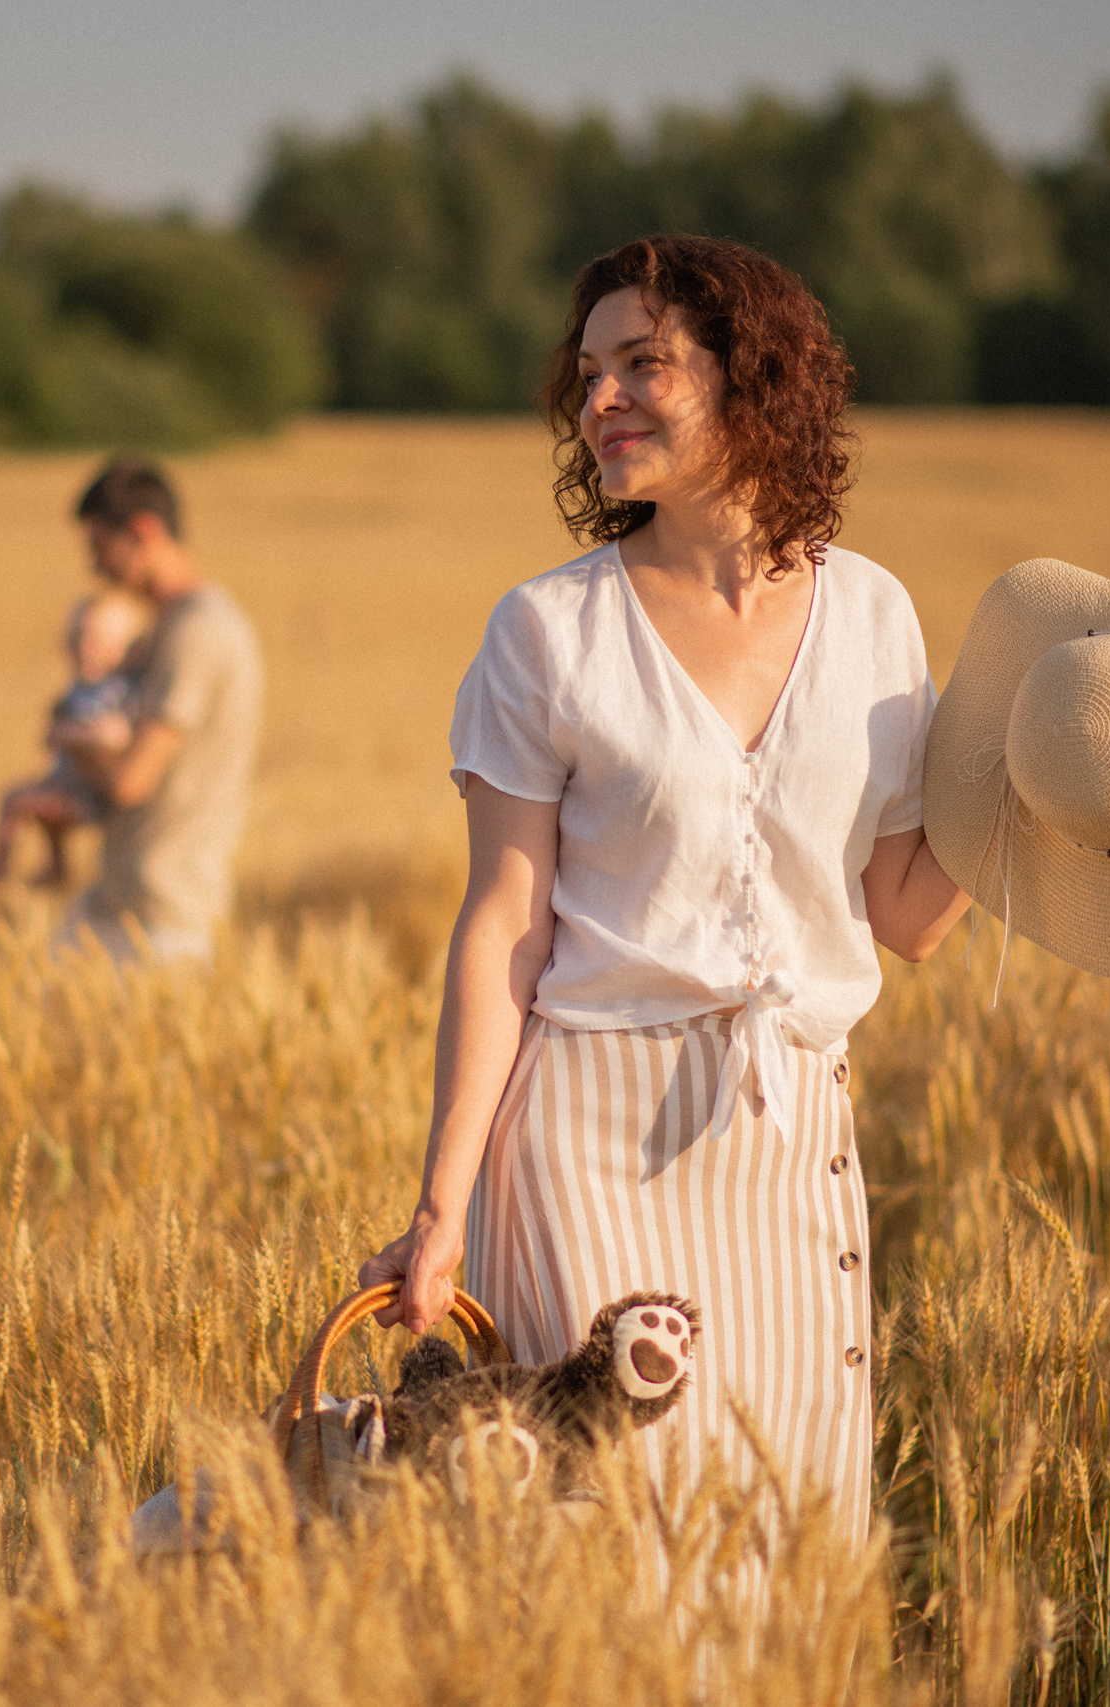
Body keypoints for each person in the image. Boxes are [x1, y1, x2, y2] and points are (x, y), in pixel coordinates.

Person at [354, 234, 1015, 1549]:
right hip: (589, 1141)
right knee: (612, 1547)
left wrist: (1062, 745)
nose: (600, 398)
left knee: (788, 1538)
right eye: (588, 371)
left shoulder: (874, 614)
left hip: (790, 1145)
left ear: (752, 374)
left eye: (641, 364)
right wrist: (441, 1203)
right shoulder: (548, 632)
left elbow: (906, 910)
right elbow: (504, 925)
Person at [55, 455, 263, 964]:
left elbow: (130, 780)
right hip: (128, 898)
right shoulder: (173, 627)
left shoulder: (198, 631)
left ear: (143, 532)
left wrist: (72, 740)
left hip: (164, 911)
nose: (95, 566)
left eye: (101, 546)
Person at [0, 590, 151, 887]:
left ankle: (12, 863)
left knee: (26, 802)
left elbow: (114, 735)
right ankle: (43, 865)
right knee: (27, 802)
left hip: (91, 790)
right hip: (67, 780)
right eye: (78, 638)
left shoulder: (115, 692)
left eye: (96, 641)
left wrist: (68, 734)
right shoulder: (78, 690)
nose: (85, 649)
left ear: (124, 650)